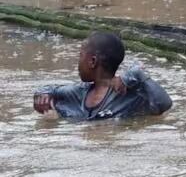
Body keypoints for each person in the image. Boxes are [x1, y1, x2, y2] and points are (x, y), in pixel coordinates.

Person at [33, 32, 172, 120]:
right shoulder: (79, 92)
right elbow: (49, 89)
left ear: (92, 61)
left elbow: (164, 104)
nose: (78, 62)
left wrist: (137, 74)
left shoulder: (129, 95)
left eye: (80, 56)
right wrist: (42, 95)